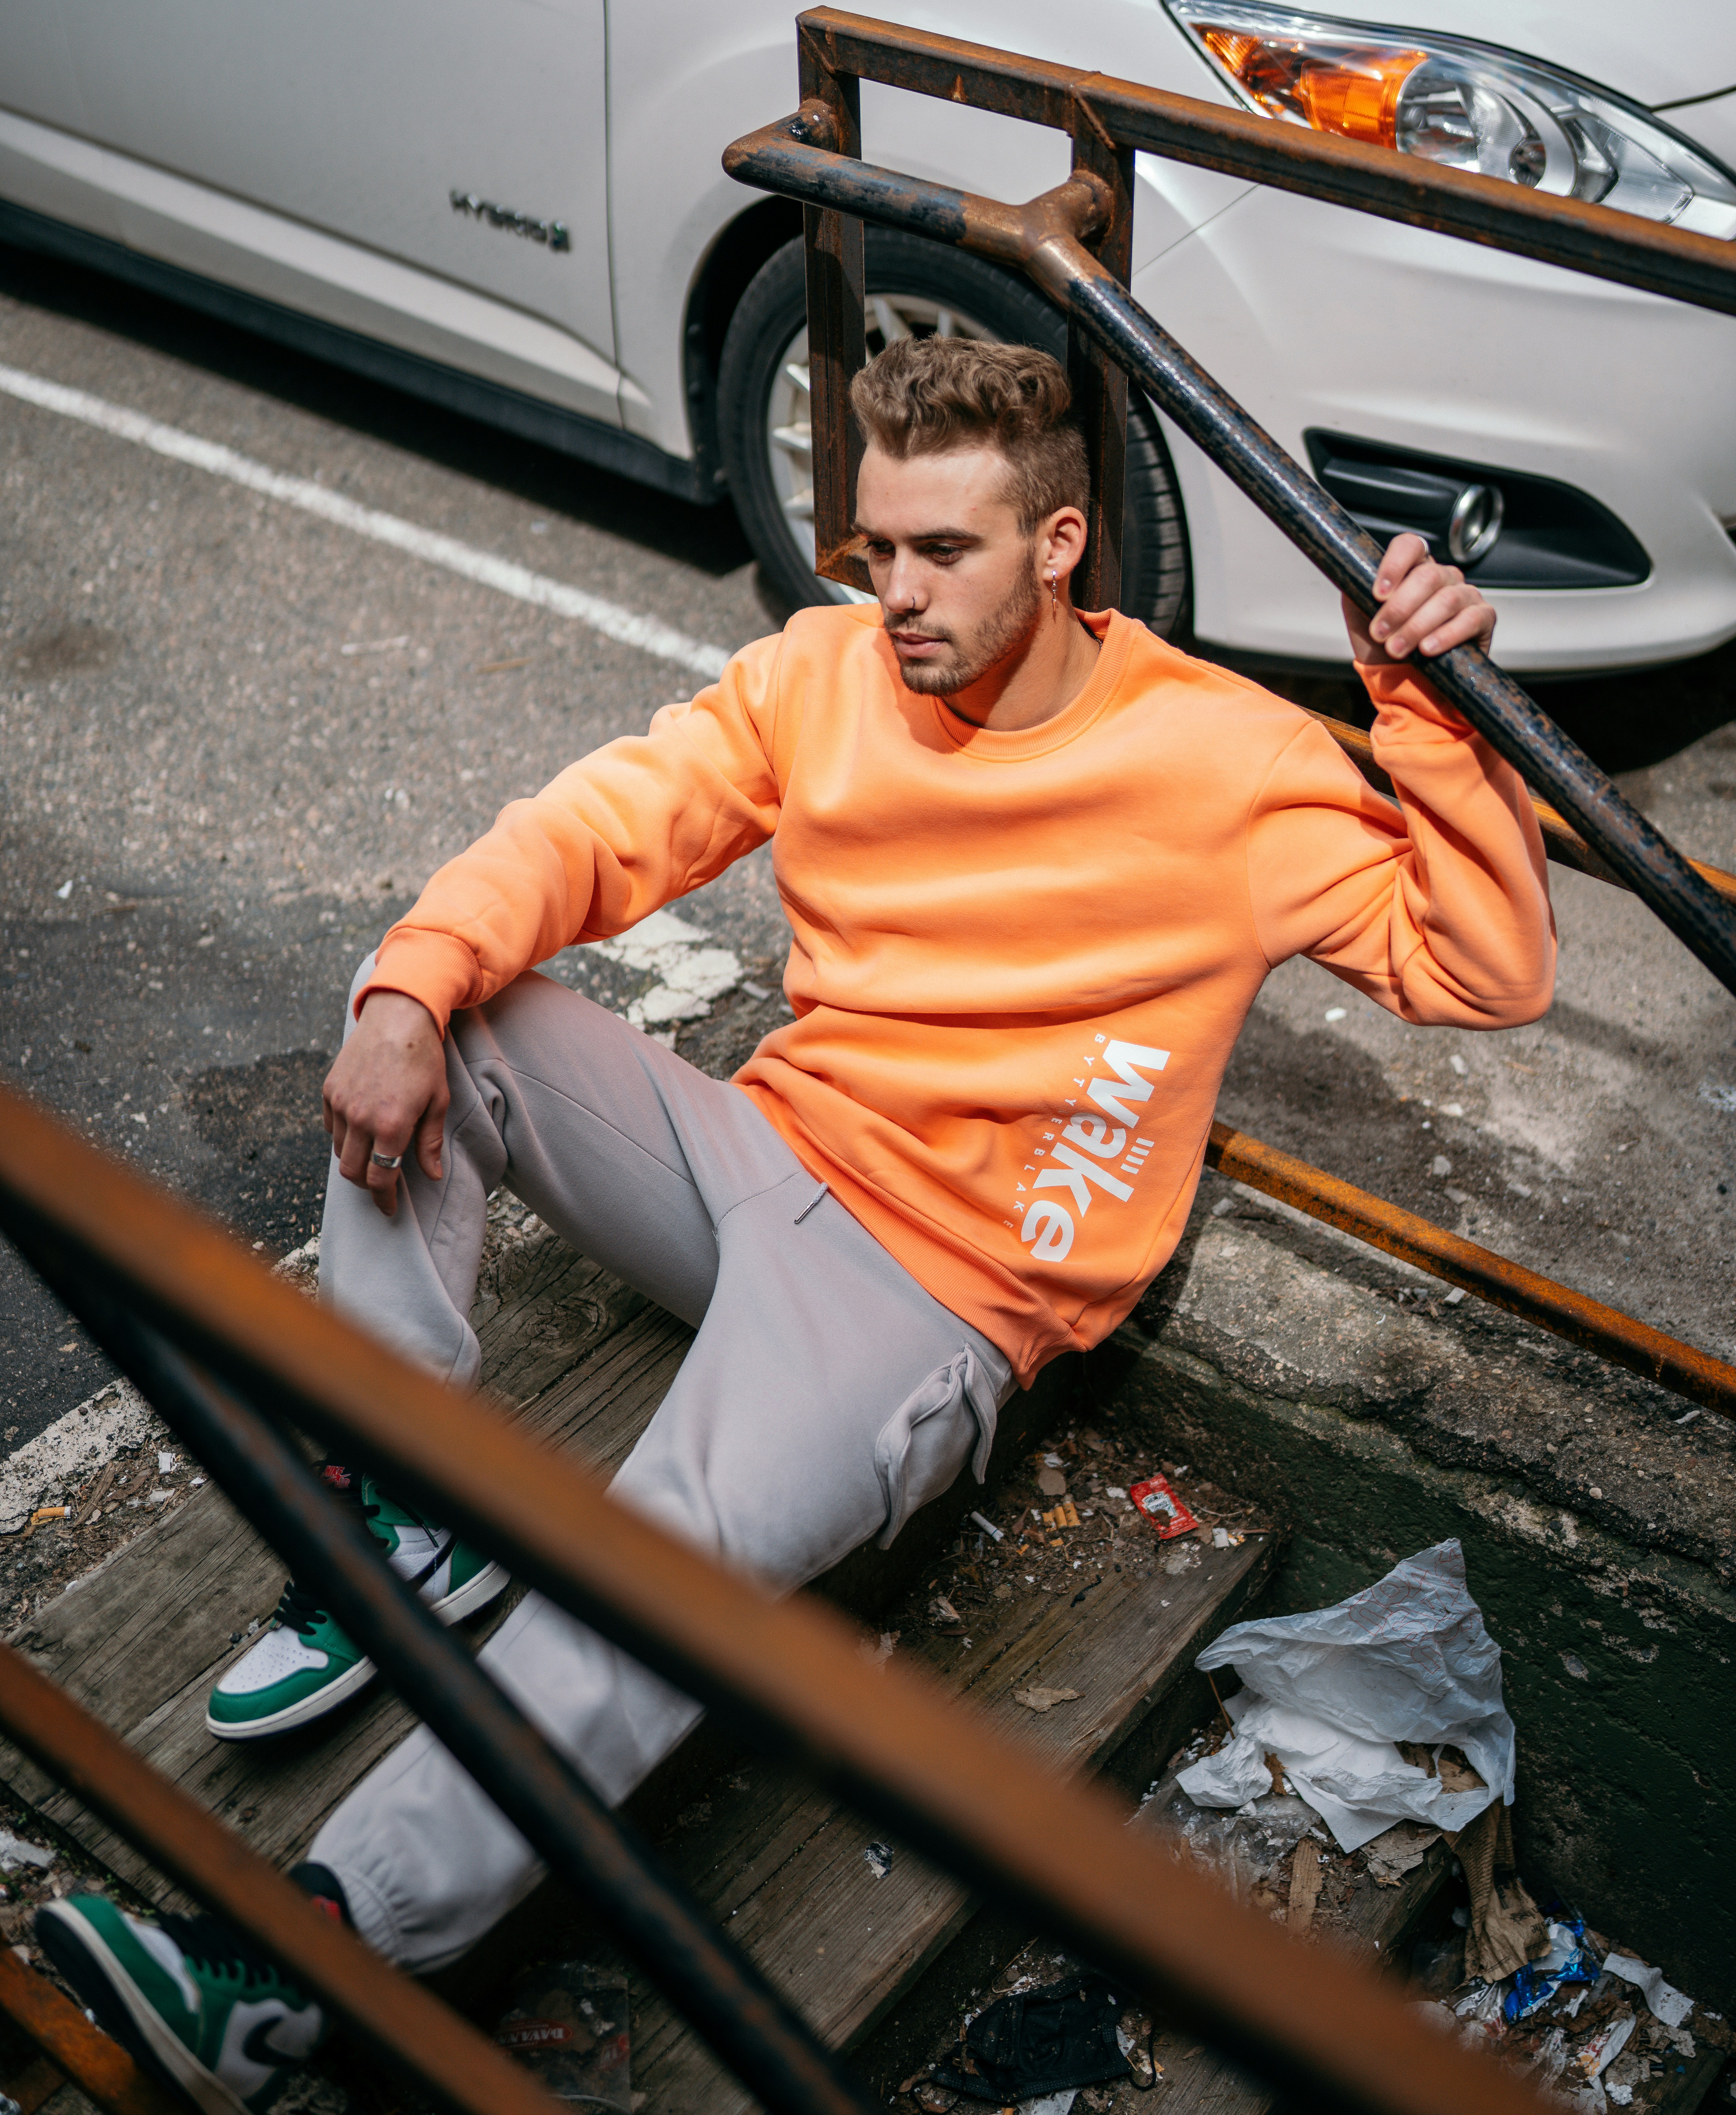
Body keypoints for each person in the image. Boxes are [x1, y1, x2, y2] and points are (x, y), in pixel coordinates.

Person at [37, 337, 1554, 2113]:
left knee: (645, 1580)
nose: (891, 593)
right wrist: (404, 984)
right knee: (464, 1013)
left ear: (1060, 542)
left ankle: (290, 1971)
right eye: (872, 545)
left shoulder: (1219, 760)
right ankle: (405, 1498)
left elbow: (1485, 964)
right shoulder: (825, 674)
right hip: (759, 1152)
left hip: (931, 1291)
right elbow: (605, 823)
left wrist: (1430, 713)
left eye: (942, 552)